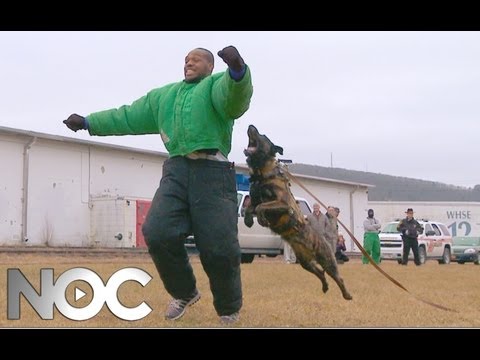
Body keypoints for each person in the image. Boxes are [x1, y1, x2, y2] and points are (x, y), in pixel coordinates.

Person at [62, 46, 253, 325]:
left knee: (219, 247)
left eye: (197, 59)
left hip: (213, 171)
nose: (189, 62)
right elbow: (127, 116)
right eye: (186, 60)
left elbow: (235, 100)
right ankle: (184, 292)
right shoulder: (164, 96)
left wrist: (237, 71)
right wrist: (90, 122)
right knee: (157, 231)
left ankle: (228, 307)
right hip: (176, 170)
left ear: (211, 67)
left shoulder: (215, 86)